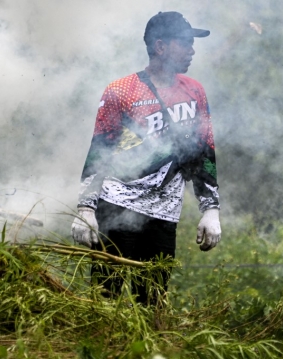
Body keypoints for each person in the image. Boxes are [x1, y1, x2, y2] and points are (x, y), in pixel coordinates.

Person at [71, 11, 221, 304]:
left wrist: (210, 209)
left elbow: (204, 150)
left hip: (164, 215)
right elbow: (99, 151)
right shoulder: (121, 91)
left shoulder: (195, 92)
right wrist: (86, 209)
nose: (192, 50)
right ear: (160, 46)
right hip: (116, 207)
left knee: (153, 304)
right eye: (185, 43)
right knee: (105, 300)